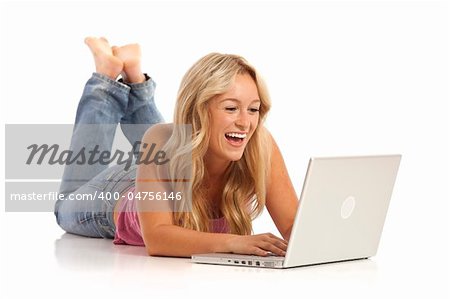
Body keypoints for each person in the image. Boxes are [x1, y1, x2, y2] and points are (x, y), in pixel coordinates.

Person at [54, 37, 299, 257]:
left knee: (170, 146)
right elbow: (158, 239)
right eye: (231, 108)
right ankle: (105, 80)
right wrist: (234, 242)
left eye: (253, 109)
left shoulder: (260, 145)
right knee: (65, 207)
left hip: (169, 166)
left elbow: (294, 228)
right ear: (199, 111)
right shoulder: (161, 140)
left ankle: (134, 76)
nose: (245, 122)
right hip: (119, 194)